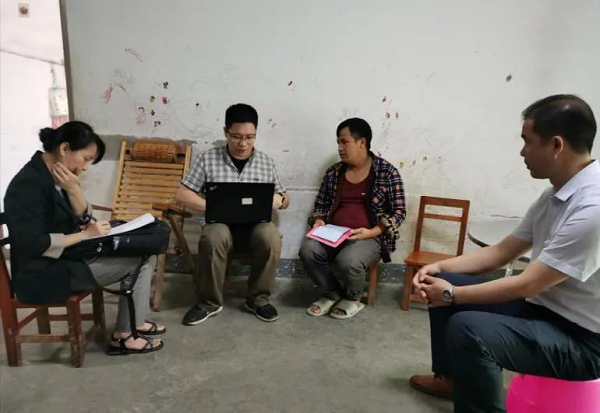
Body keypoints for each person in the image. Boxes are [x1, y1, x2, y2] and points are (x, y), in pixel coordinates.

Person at [409, 95, 600, 413]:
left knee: (467, 327)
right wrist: (438, 267)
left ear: (556, 145)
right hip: (541, 310)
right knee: (441, 282)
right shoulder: (554, 194)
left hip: (581, 340)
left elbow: (529, 283)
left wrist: (452, 294)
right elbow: (501, 252)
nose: (522, 152)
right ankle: (452, 380)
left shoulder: (592, 208)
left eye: (528, 141)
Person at [4, 121, 165, 355]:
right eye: (86, 159)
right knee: (138, 262)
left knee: (143, 252)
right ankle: (124, 336)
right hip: (42, 274)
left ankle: (135, 322)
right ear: (64, 148)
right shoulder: (28, 185)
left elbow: (84, 218)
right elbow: (34, 244)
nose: (86, 167)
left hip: (67, 259)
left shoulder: (57, 177)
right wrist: (84, 235)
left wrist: (75, 190)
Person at [177, 103, 289, 325]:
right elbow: (182, 195)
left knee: (271, 236)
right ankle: (209, 302)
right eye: (236, 136)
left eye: (249, 137)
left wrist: (280, 199)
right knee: (213, 236)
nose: (243, 143)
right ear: (225, 132)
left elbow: (285, 198)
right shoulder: (208, 159)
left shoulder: (266, 162)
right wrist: (214, 206)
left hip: (255, 226)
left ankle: (258, 299)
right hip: (220, 224)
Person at [299, 118, 406, 319]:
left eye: (344, 142)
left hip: (369, 237)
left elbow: (399, 212)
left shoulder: (387, 172)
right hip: (333, 234)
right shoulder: (334, 172)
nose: (340, 148)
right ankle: (331, 293)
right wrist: (319, 221)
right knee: (308, 250)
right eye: (338, 142)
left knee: (348, 260)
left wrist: (373, 231)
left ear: (362, 142)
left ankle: (353, 298)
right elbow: (320, 205)